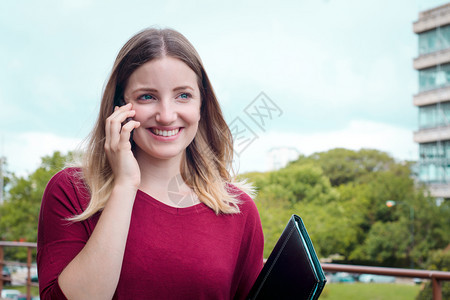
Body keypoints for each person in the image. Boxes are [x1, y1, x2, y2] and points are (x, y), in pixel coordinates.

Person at [36, 27, 264, 299]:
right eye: (147, 96)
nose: (167, 116)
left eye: (183, 95)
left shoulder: (238, 210)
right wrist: (124, 185)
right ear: (119, 106)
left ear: (202, 104)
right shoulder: (72, 191)